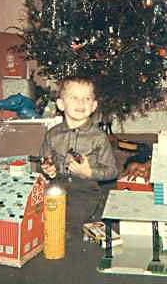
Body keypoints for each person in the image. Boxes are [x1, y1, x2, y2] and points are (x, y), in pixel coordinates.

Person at [39, 76, 118, 239]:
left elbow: (112, 171)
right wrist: (48, 168)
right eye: (74, 97)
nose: (81, 103)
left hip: (85, 190)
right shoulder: (52, 134)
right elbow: (44, 159)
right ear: (61, 104)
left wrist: (89, 172)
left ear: (94, 106)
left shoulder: (99, 138)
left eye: (87, 98)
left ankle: (72, 235)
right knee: (36, 212)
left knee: (71, 219)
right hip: (56, 186)